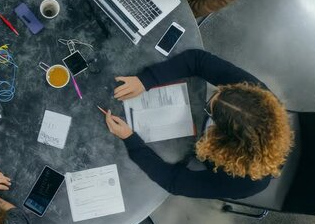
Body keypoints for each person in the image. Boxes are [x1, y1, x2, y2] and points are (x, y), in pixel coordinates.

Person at [105, 49, 292, 199]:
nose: (207, 104)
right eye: (218, 94)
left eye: (210, 111)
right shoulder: (255, 98)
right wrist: (146, 81)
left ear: (223, 142)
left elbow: (173, 182)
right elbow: (198, 60)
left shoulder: (245, 182)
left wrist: (130, 139)